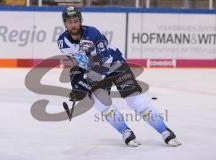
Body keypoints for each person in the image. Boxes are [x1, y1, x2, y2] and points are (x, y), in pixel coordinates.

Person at [57, 6, 181, 147]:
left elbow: (106, 59)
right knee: (102, 105)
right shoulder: (62, 42)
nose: (73, 24)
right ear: (65, 23)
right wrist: (77, 84)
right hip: (95, 69)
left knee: (136, 101)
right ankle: (126, 132)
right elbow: (80, 62)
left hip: (115, 64)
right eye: (69, 21)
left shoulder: (93, 33)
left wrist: (86, 83)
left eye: (75, 20)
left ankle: (165, 131)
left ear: (80, 21)